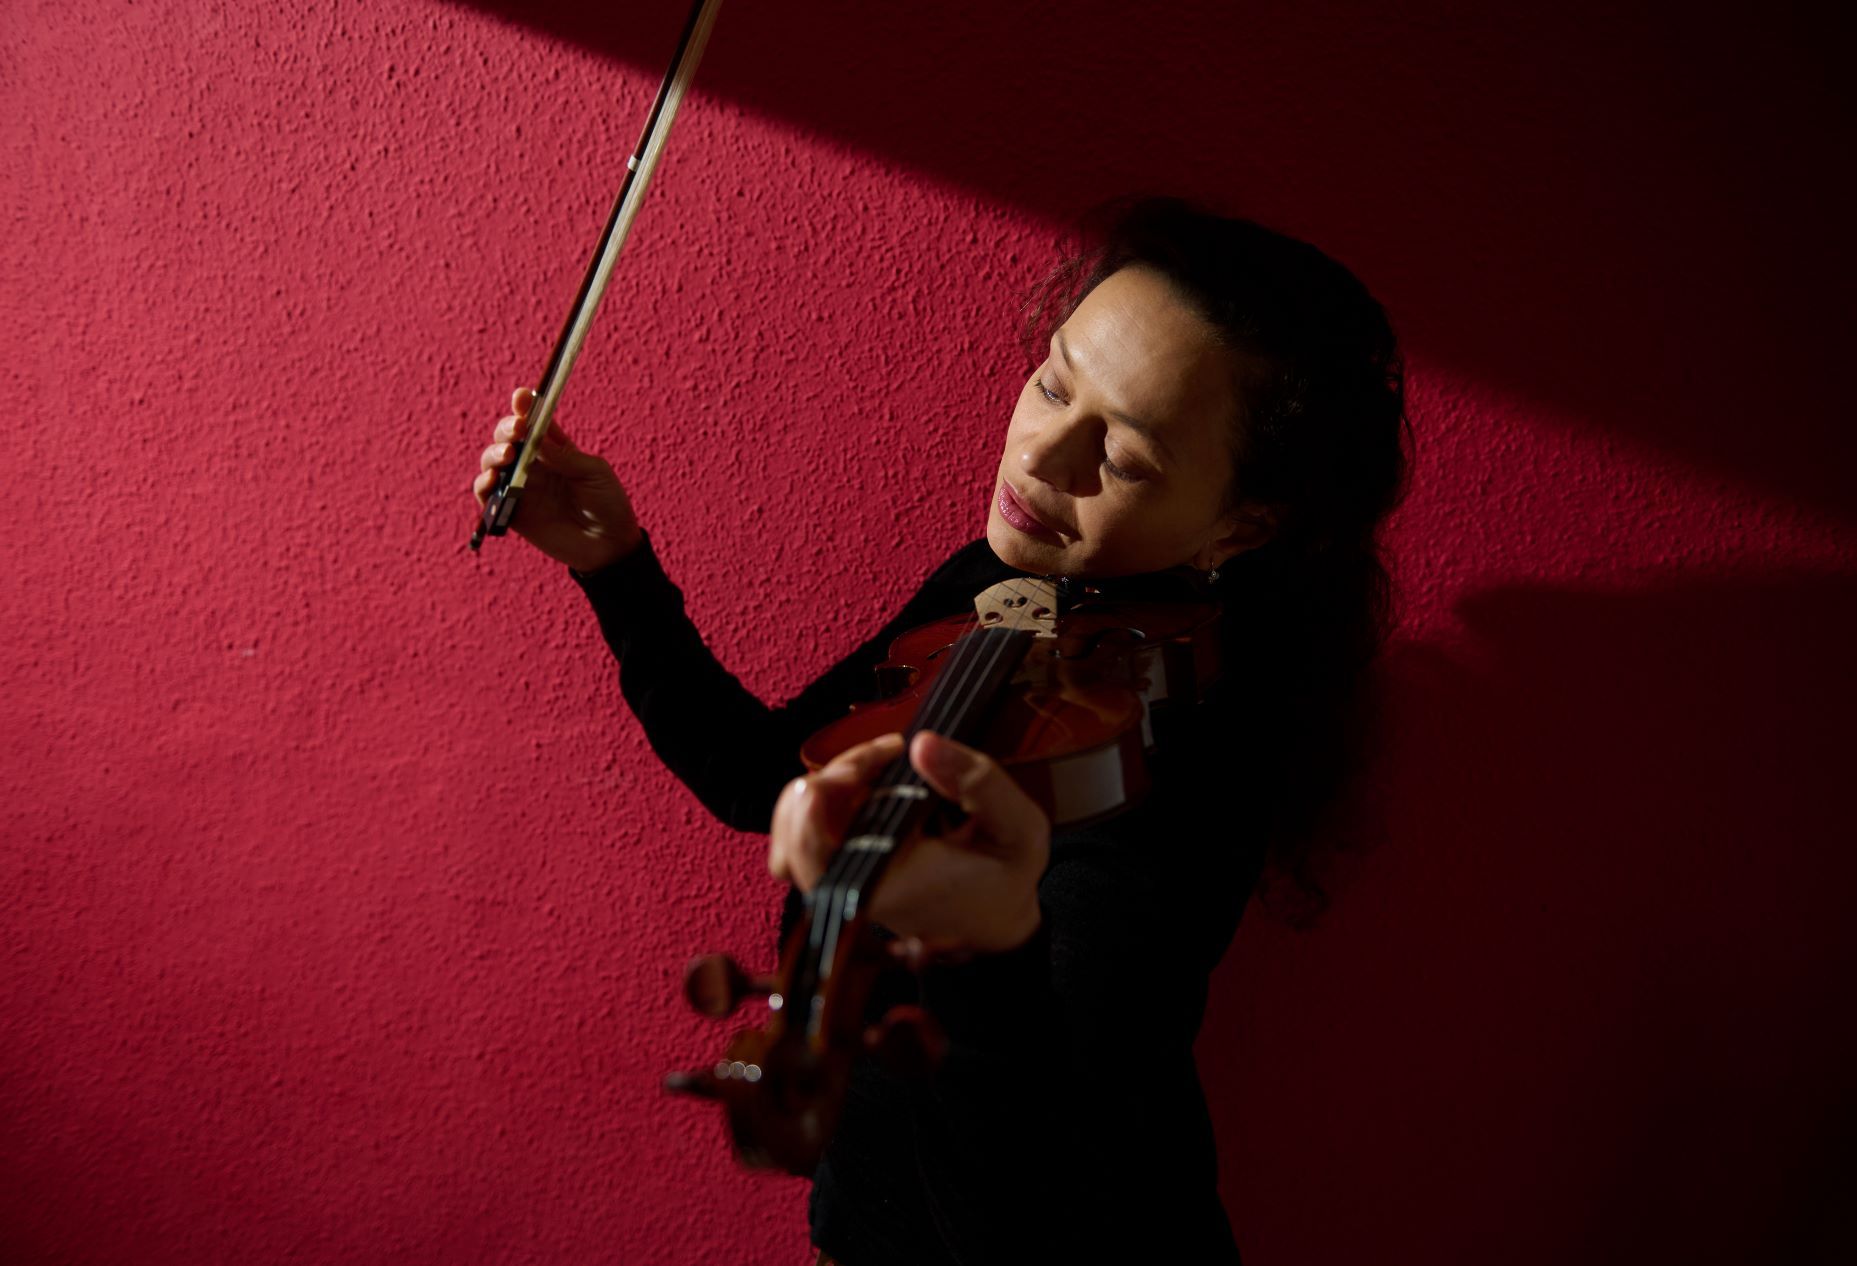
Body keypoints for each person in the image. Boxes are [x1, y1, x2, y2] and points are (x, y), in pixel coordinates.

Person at [471, 198, 1409, 1265]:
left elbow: (1025, 1203)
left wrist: (979, 944)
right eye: (1053, 383)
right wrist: (615, 565)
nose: (1043, 457)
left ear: (1243, 525)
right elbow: (761, 778)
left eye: (1126, 456)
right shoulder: (1001, 588)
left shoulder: (1187, 752)